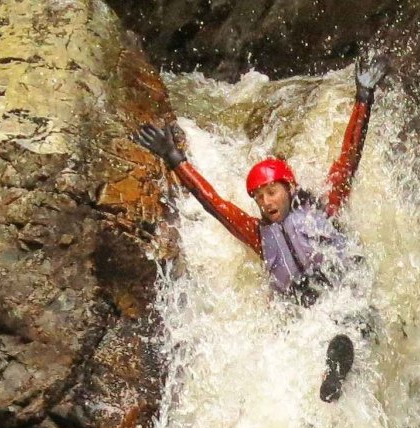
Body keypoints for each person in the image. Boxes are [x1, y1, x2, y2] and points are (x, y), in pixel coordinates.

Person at [135, 55, 391, 402]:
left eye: (271, 192)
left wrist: (364, 97)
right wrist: (174, 158)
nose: (266, 202)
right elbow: (215, 205)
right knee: (316, 344)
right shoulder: (258, 235)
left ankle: (337, 371)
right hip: (307, 313)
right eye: (258, 197)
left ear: (288, 187)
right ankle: (324, 387)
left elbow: (349, 157)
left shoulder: (324, 209)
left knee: (349, 332)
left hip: (347, 297)